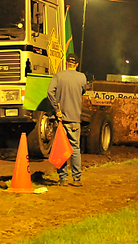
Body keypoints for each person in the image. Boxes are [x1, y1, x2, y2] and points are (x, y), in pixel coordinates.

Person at [47, 52, 87, 187]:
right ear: (76, 64)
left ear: (66, 64)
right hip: (75, 118)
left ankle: (63, 179)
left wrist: (56, 109)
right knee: (75, 148)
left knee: (60, 147)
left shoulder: (58, 76)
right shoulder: (82, 77)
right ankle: (77, 179)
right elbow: (83, 91)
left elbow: (49, 92)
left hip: (60, 119)